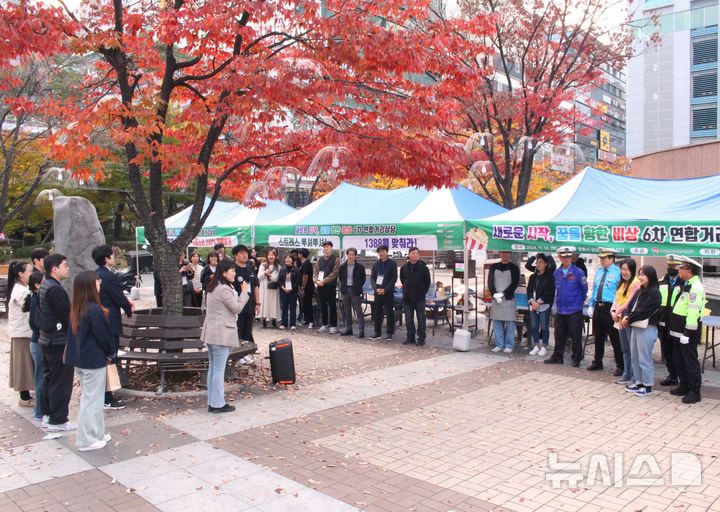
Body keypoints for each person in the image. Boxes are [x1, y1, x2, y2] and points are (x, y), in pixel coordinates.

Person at [64, 271, 115, 450]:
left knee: (93, 398)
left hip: (81, 359)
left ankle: (97, 433)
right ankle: (86, 440)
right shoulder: (94, 309)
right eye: (97, 281)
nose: (99, 283)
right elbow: (104, 336)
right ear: (91, 286)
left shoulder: (78, 307)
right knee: (91, 400)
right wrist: (111, 352)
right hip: (93, 359)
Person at [201, 259, 250, 413]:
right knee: (218, 370)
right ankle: (218, 404)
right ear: (223, 272)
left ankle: (213, 402)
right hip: (221, 334)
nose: (235, 273)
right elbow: (236, 308)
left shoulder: (213, 286)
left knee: (213, 369)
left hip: (212, 333)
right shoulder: (223, 289)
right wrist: (244, 292)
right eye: (232, 271)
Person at [35, 254, 75, 431]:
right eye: (65, 265)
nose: (68, 268)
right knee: (60, 381)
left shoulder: (46, 284)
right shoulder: (55, 289)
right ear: (54, 269)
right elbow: (66, 317)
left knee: (49, 379)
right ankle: (58, 419)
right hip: (58, 342)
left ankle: (47, 414)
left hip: (47, 340)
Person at [92, 245, 134, 410]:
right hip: (110, 321)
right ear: (106, 259)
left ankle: (103, 394)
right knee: (109, 357)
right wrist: (128, 308)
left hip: (100, 320)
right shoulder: (108, 276)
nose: (114, 257)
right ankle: (107, 397)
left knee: (104, 358)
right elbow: (118, 297)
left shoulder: (95, 274)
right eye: (111, 255)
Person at [669, 256, 705, 404]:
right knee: (679, 359)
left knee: (690, 361)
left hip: (687, 331)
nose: (679, 270)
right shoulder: (687, 284)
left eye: (681, 268)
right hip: (678, 329)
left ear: (688, 271)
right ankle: (684, 385)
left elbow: (693, 312)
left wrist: (688, 333)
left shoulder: (695, 287)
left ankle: (695, 391)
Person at [621, 265, 661, 396]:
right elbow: (629, 305)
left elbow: (644, 312)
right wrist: (626, 315)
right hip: (635, 326)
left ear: (650, 277)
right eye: (639, 274)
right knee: (635, 356)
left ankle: (647, 385)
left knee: (645, 358)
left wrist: (628, 319)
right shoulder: (640, 291)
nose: (640, 277)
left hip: (647, 328)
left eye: (643, 275)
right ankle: (638, 382)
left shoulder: (655, 293)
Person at [545, 246, 588, 367]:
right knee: (559, 334)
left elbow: (584, 289)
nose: (566, 259)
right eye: (564, 257)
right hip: (561, 309)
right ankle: (557, 356)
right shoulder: (557, 273)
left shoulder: (578, 272)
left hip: (574, 309)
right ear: (559, 257)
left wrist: (579, 302)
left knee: (575, 335)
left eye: (568, 256)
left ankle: (576, 358)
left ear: (572, 257)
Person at [587, 248, 623, 375]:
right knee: (598, 335)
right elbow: (595, 289)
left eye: (604, 258)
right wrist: (591, 304)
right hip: (598, 305)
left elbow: (620, 293)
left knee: (614, 337)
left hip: (610, 307)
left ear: (612, 259)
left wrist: (617, 309)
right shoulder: (599, 272)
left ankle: (620, 364)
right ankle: (598, 361)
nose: (602, 260)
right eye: (601, 258)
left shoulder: (618, 273)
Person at [7, 261, 35, 408]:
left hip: (24, 333)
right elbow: (30, 309)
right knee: (23, 366)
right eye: (30, 271)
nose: (32, 274)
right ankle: (24, 398)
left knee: (26, 365)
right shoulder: (20, 291)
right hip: (22, 334)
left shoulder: (22, 288)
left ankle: (26, 396)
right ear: (21, 274)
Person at [610, 258, 640, 385]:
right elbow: (616, 300)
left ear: (632, 270)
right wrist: (612, 312)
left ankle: (633, 375)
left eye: (626, 270)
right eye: (622, 269)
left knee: (632, 350)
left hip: (628, 320)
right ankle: (626, 373)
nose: (624, 272)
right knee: (625, 349)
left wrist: (617, 312)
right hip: (619, 320)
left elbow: (629, 303)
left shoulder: (635, 283)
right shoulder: (621, 283)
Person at [657, 255, 684, 386]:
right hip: (663, 323)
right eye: (669, 266)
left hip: (678, 324)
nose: (671, 269)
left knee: (679, 353)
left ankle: (682, 378)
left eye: (674, 266)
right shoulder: (662, 281)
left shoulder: (684, 283)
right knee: (667, 351)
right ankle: (672, 376)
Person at [488, 251, 520, 353]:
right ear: (500, 254)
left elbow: (514, 284)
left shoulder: (514, 268)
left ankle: (509, 345)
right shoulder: (493, 267)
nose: (504, 254)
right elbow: (490, 282)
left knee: (510, 323)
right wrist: (494, 294)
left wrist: (503, 294)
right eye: (502, 253)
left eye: (506, 252)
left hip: (508, 298)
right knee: (497, 322)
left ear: (509, 253)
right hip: (496, 299)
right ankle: (499, 344)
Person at [400, 247, 431, 346]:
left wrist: (422, 292)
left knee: (421, 319)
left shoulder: (423, 268)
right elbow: (402, 280)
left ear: (419, 256)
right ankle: (410, 337)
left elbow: (427, 283)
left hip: (419, 298)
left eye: (416, 253)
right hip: (407, 298)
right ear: (409, 255)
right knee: (408, 319)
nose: (415, 255)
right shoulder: (404, 268)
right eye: (412, 253)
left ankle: (421, 338)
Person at [25, 271, 45, 422]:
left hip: (36, 342)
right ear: (37, 285)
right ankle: (39, 412)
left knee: (42, 376)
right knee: (41, 377)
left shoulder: (36, 298)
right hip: (38, 343)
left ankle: (41, 411)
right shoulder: (36, 299)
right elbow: (34, 323)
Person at [527, 253, 555, 357]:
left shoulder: (549, 277)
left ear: (546, 264)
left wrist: (539, 301)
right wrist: (532, 301)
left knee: (544, 326)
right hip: (533, 305)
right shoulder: (532, 277)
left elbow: (549, 292)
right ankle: (536, 345)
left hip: (544, 305)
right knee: (534, 326)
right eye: (537, 262)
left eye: (541, 262)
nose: (538, 264)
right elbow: (529, 290)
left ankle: (544, 346)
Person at [231, 244, 260, 342]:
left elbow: (255, 285)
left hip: (250, 303)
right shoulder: (232, 269)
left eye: (246, 253)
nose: (245, 255)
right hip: (237, 304)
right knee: (238, 329)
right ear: (235, 255)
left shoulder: (250, 267)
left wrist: (257, 303)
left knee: (248, 330)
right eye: (241, 253)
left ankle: (246, 353)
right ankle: (238, 354)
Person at [369, 245, 397, 341]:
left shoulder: (392, 264)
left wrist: (385, 289)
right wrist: (376, 289)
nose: (382, 253)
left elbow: (394, 279)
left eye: (383, 251)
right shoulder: (376, 264)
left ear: (387, 252)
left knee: (389, 313)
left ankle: (389, 333)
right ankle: (377, 333)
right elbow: (372, 278)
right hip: (378, 293)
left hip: (388, 293)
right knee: (377, 313)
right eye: (380, 252)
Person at [338, 248, 367, 338]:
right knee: (347, 311)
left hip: (355, 291)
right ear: (347, 255)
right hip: (345, 290)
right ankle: (349, 329)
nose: (351, 256)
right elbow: (341, 278)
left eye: (352, 255)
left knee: (358, 311)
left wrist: (357, 286)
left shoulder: (360, 267)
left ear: (355, 256)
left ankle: (361, 330)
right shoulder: (342, 266)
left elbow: (363, 279)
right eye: (349, 254)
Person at [314, 241, 340, 334]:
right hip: (320, 286)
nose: (326, 248)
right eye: (324, 247)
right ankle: (324, 324)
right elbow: (315, 272)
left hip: (330, 286)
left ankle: (333, 326)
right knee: (322, 305)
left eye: (328, 246)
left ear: (331, 248)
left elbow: (334, 273)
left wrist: (323, 281)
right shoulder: (319, 259)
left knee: (332, 306)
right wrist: (316, 281)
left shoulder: (336, 259)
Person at [258, 248, 281, 328]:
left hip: (273, 288)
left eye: (273, 255)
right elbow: (259, 277)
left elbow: (276, 279)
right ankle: (264, 319)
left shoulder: (278, 267)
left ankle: (274, 319)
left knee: (273, 303)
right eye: (269, 255)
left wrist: (270, 275)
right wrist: (265, 272)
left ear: (275, 256)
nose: (271, 256)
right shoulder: (263, 265)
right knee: (264, 302)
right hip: (264, 287)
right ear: (267, 256)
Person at [278, 254, 300, 330]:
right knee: (284, 307)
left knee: (293, 307)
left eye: (289, 258)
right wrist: (283, 287)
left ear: (292, 260)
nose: (287, 259)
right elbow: (279, 280)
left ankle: (293, 324)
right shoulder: (282, 269)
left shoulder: (296, 269)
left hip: (293, 291)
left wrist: (292, 288)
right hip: (283, 291)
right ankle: (284, 323)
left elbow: (298, 281)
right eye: (286, 258)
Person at [298, 248, 315, 327]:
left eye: (299, 253)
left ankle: (311, 321)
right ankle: (307, 320)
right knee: (304, 304)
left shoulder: (306, 263)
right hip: (305, 287)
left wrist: (302, 288)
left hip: (308, 287)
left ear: (301, 254)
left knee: (308, 304)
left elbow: (305, 276)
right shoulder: (303, 263)